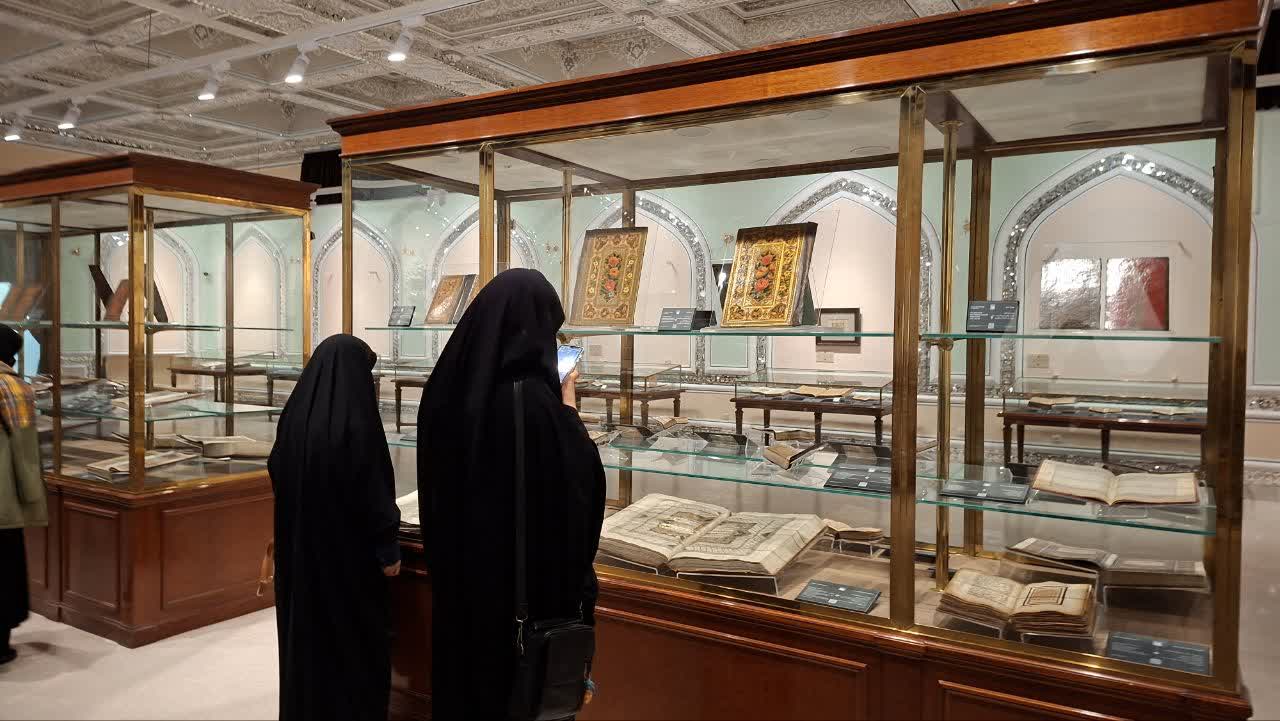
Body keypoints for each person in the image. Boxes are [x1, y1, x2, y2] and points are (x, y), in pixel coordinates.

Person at [417, 269, 606, 720]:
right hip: (523, 605)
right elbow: (581, 489)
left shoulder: (448, 391)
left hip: (464, 589)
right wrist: (568, 403)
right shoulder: (534, 404)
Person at [268, 334, 401, 720]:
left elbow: (277, 470)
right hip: (348, 565)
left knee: (306, 648)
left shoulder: (295, 416)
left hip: (300, 557)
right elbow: (374, 491)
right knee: (352, 652)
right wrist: (388, 550)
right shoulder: (357, 422)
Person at [0, 325, 43, 665]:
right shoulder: (11, 386)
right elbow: (24, 443)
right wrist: (32, 493)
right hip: (3, 496)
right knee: (4, 566)